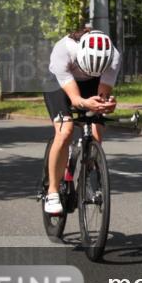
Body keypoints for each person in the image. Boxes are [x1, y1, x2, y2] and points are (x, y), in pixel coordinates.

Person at [43, 27, 119, 215]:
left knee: (96, 131)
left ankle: (85, 177)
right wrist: (85, 103)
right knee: (65, 129)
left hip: (91, 85)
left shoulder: (114, 56)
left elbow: (102, 93)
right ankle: (52, 190)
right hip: (58, 84)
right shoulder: (63, 50)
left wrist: (106, 104)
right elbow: (76, 100)